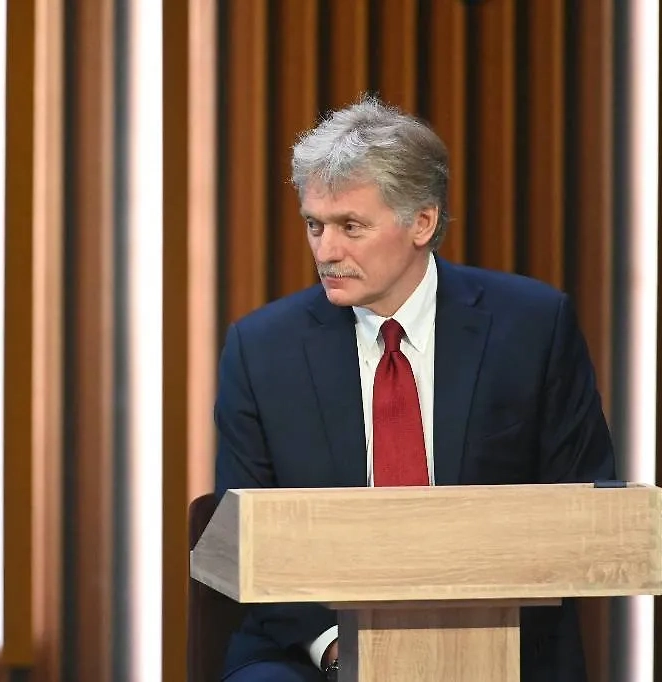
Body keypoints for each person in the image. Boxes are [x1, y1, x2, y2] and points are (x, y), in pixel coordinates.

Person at [213, 95, 615, 682]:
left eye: (351, 226)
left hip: (498, 634)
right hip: (311, 643)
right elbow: (243, 535)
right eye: (314, 225)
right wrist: (339, 650)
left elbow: (587, 504)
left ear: (421, 223)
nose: (326, 251)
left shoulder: (531, 327)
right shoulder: (261, 347)